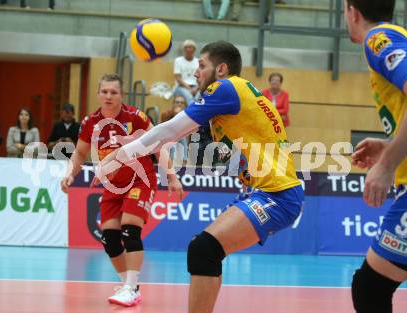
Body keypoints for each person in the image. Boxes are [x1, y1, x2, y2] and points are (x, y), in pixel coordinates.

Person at [98, 41, 304, 313]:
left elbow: (169, 131)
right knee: (206, 253)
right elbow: (175, 135)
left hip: (278, 195)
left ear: (221, 69)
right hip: (266, 191)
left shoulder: (226, 87)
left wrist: (121, 155)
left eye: (202, 66)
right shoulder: (238, 95)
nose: (196, 73)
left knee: (203, 250)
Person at [60, 74, 183, 307]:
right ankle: (129, 285)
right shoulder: (90, 122)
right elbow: (79, 153)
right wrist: (69, 174)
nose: (108, 96)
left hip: (140, 180)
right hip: (113, 186)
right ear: (98, 94)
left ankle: (131, 287)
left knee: (130, 230)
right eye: (104, 91)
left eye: (113, 92)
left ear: (121, 95)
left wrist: (172, 177)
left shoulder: (135, 117)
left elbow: (159, 146)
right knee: (110, 239)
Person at [345, 1, 407, 312]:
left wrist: (386, 164)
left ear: (352, 11)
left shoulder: (379, 39)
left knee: (370, 289)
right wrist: (390, 145)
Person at [160, 95, 189, 162]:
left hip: (182, 138)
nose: (179, 104)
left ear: (185, 105)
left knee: (182, 138)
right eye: (177, 102)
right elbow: (164, 130)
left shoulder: (188, 116)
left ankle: (184, 162)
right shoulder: (166, 114)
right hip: (168, 138)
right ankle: (171, 163)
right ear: (173, 104)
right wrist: (176, 115)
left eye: (182, 103)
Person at [173, 40, 199, 106]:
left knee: (199, 96)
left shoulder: (198, 61)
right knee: (188, 96)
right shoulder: (178, 60)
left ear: (194, 49)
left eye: (190, 47)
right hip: (181, 87)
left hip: (196, 86)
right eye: (186, 47)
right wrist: (189, 89)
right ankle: (193, 114)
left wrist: (196, 88)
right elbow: (178, 78)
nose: (188, 49)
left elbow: (201, 78)